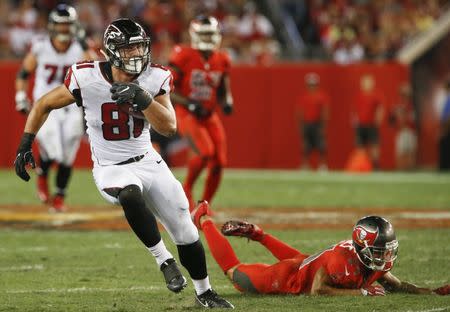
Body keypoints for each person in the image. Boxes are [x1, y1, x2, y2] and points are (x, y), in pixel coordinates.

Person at [14, 18, 233, 309]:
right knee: (130, 192)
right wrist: (25, 144)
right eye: (129, 49)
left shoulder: (154, 78)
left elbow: (169, 127)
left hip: (149, 161)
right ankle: (163, 260)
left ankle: (204, 292)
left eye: (140, 47)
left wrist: (143, 99)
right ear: (112, 51)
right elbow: (43, 104)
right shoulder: (86, 76)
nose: (137, 54)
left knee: (185, 230)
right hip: (110, 166)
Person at [191, 201, 450, 296]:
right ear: (363, 247)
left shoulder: (369, 262)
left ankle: (258, 234)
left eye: (386, 250)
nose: (384, 256)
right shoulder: (342, 262)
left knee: (300, 260)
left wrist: (432, 292)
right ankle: (204, 218)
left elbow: (398, 284)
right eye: (379, 250)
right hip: (289, 278)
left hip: (306, 263)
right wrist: (360, 293)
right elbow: (317, 290)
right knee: (233, 273)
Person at [15, 4, 93, 212]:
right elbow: (23, 74)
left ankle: (59, 196)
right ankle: (42, 176)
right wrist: (21, 95)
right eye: (61, 25)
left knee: (68, 154)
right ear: (53, 26)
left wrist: (86, 45)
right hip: (46, 106)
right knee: (53, 150)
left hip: (71, 106)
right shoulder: (41, 45)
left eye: (68, 25)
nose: (64, 30)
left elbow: (96, 69)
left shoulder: (80, 47)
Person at [168, 15, 233, 211]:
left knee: (220, 162)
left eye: (211, 34)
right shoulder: (183, 55)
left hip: (209, 115)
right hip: (186, 112)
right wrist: (190, 103)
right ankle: (186, 187)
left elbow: (224, 87)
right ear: (194, 34)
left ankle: (204, 204)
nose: (207, 38)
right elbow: (168, 89)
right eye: (204, 34)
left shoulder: (222, 58)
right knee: (205, 152)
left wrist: (228, 101)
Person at [295, 73, 330, 170]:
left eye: (313, 84)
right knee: (306, 146)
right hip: (307, 123)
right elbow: (300, 111)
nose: (312, 86)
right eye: (310, 84)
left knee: (321, 145)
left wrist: (323, 125)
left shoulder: (322, 96)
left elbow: (325, 111)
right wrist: (300, 125)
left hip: (317, 123)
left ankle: (322, 164)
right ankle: (305, 165)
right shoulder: (304, 97)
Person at [351, 74, 384, 169]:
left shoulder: (376, 95)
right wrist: (354, 120)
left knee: (374, 145)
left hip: (372, 124)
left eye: (368, 82)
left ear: (372, 84)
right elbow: (354, 109)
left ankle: (376, 165)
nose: (366, 84)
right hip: (361, 125)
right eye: (364, 83)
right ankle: (362, 165)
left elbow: (380, 108)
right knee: (360, 147)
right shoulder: (358, 95)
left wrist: (378, 118)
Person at [390, 83, 417, 170]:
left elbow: (412, 119)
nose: (406, 94)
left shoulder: (412, 105)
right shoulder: (399, 104)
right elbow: (392, 119)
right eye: (404, 92)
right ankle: (400, 171)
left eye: (407, 92)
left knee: (410, 152)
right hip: (402, 131)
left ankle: (411, 171)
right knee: (400, 152)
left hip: (410, 131)